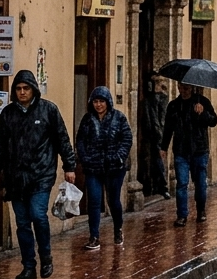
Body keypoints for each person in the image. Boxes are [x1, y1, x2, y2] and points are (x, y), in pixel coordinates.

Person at [0, 70, 77, 279]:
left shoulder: (48, 110)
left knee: (37, 214)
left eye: (26, 88)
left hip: (41, 174)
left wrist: (69, 166)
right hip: (16, 178)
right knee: (22, 223)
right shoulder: (7, 114)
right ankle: (28, 266)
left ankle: (46, 256)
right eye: (18, 89)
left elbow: (62, 139)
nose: (22, 92)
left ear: (33, 89)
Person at [74, 86, 133, 250]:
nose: (98, 105)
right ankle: (94, 236)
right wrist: (85, 157)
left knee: (113, 201)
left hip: (114, 167)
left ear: (108, 102)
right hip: (93, 167)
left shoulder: (119, 118)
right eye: (95, 101)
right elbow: (80, 140)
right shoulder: (87, 120)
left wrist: (118, 155)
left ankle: (118, 229)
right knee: (94, 200)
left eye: (101, 101)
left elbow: (127, 139)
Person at [160, 81, 217, 227]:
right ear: (178, 87)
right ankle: (182, 215)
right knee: (181, 184)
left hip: (200, 149)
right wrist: (164, 147)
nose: (184, 90)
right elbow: (168, 127)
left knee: (200, 184)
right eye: (181, 87)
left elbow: (214, 121)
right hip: (181, 150)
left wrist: (203, 113)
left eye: (186, 87)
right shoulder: (174, 106)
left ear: (192, 87)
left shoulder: (202, 101)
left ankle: (201, 211)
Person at [142, 71, 170, 199]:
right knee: (150, 160)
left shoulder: (162, 99)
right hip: (150, 134)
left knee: (158, 159)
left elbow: (162, 118)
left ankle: (162, 186)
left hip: (158, 134)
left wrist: (160, 135)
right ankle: (153, 185)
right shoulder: (149, 99)